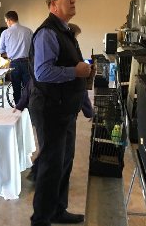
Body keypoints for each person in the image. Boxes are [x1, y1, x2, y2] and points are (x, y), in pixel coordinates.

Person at [28, 0, 92, 226]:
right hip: (49, 109)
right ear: (53, 5)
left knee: (65, 161)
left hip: (66, 107)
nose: (72, 0)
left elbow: (73, 67)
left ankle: (57, 209)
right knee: (51, 166)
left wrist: (85, 102)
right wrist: (75, 72)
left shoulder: (66, 32)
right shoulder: (46, 33)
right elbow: (43, 73)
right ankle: (40, 224)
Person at [16, 22, 93, 183]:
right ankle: (40, 179)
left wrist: (88, 111)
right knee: (50, 150)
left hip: (62, 107)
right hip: (46, 107)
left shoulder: (69, 58)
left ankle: (42, 178)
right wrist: (20, 106)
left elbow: (80, 90)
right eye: (74, 38)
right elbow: (34, 84)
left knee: (56, 150)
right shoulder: (48, 43)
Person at [0, 10, 33, 105]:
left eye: (6, 21)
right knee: (28, 87)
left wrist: (9, 53)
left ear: (9, 20)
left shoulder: (5, 33)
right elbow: (33, 48)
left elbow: (1, 50)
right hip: (27, 62)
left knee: (16, 88)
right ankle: (28, 108)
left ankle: (18, 109)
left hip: (14, 63)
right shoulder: (28, 31)